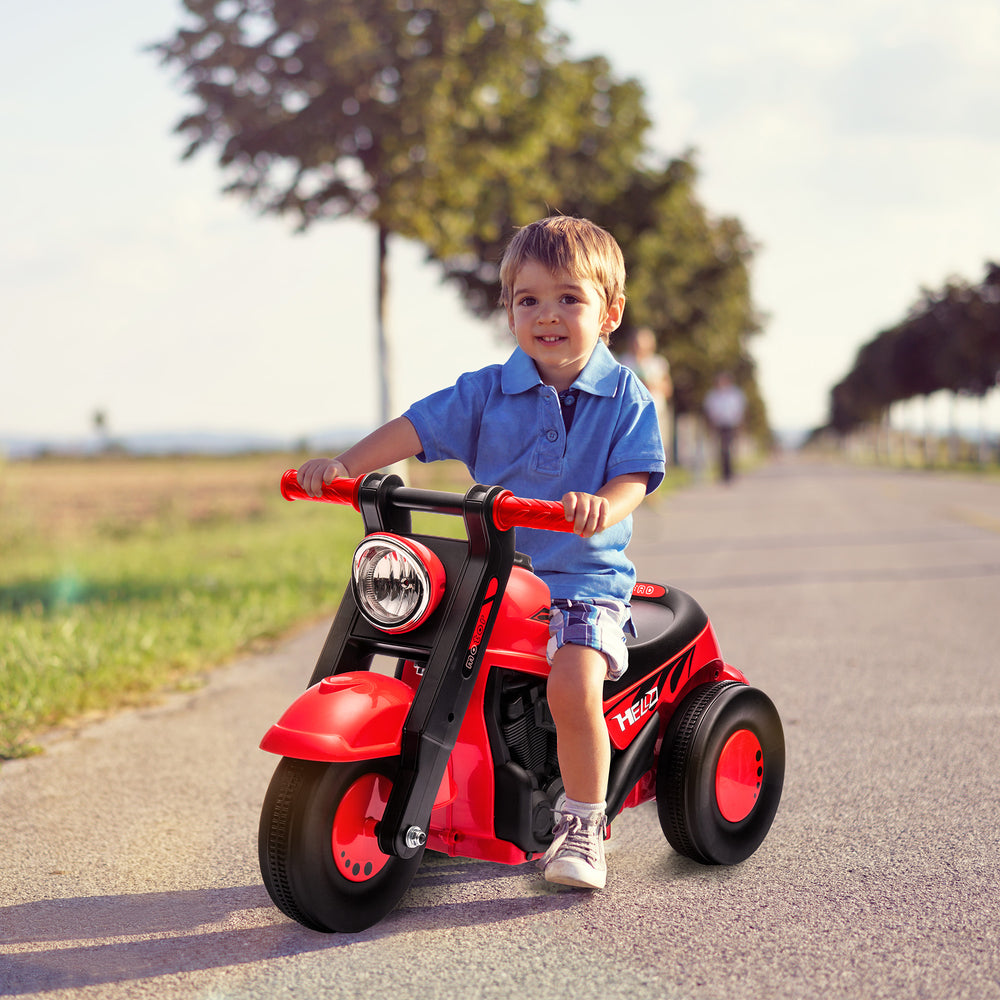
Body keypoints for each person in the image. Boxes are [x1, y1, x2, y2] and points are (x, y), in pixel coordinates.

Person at [296, 215, 665, 890]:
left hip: (581, 579)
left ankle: (583, 822)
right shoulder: (487, 391)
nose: (547, 315)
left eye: (568, 299)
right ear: (508, 311)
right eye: (529, 300)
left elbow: (636, 476)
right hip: (492, 571)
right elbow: (415, 427)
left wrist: (603, 506)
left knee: (573, 679)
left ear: (609, 312)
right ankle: (419, 787)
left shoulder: (626, 399)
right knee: (415, 649)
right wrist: (345, 465)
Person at [617, 327, 672, 463]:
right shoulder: (624, 361)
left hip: (656, 411)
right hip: (631, 412)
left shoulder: (658, 363)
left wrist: (654, 385)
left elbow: (668, 389)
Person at [703, 372, 746, 482]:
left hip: (731, 424)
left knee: (730, 449)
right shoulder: (713, 395)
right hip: (719, 425)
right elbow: (710, 410)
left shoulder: (735, 394)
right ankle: (723, 473)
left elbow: (740, 409)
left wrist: (739, 423)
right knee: (721, 449)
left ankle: (730, 472)